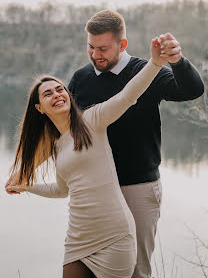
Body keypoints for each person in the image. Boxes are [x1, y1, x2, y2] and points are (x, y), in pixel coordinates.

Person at [6, 37, 169, 278]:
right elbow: (61, 190)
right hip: (79, 238)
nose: (57, 95)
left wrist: (155, 64)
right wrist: (26, 185)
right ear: (39, 108)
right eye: (48, 94)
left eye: (60, 89)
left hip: (114, 236)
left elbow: (127, 96)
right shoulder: (56, 147)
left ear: (69, 95)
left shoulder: (93, 120)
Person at [67, 10, 205, 278]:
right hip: (94, 191)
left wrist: (177, 60)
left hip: (138, 189)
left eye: (103, 49)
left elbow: (192, 90)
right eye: (91, 48)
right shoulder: (80, 78)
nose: (96, 55)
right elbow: (66, 132)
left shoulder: (146, 71)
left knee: (135, 271)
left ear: (123, 44)